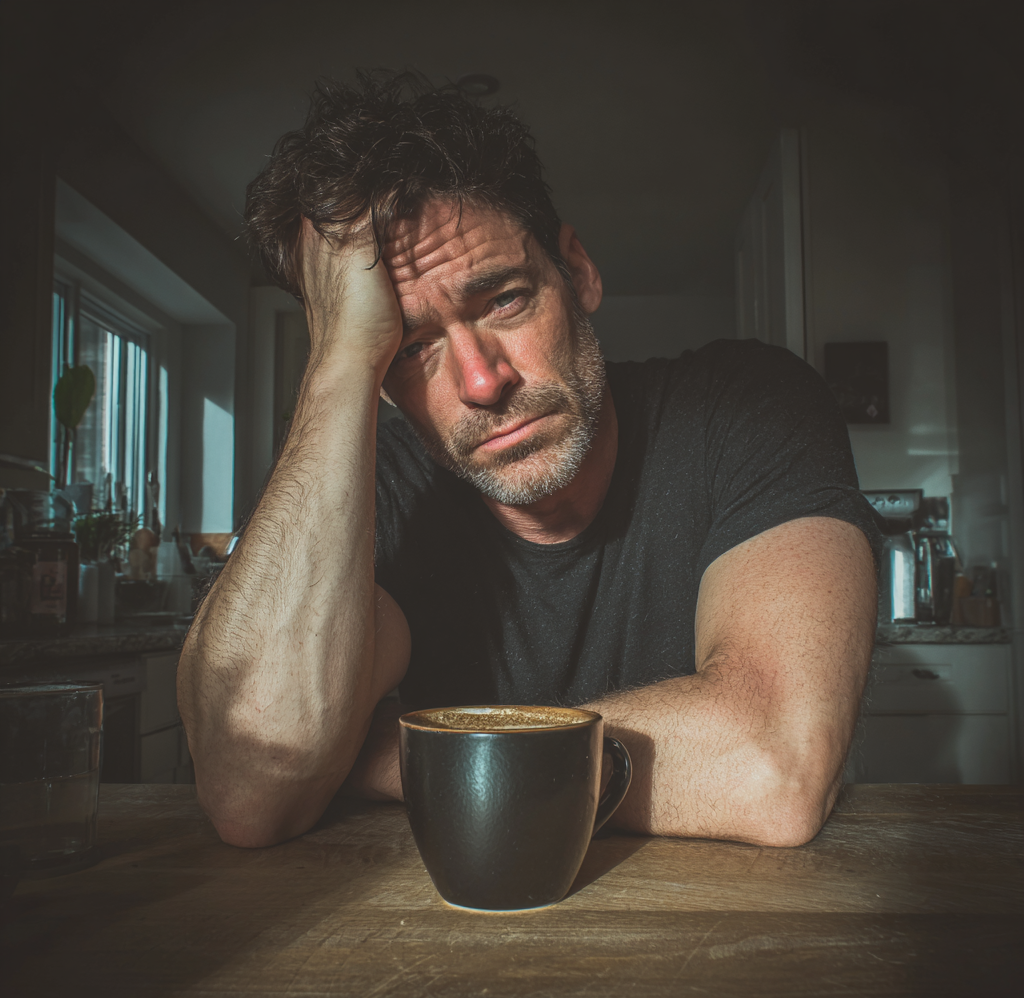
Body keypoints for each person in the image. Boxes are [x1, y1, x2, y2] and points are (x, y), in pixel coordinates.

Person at [177, 71, 879, 851]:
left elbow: (769, 768)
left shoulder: (748, 406)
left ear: (575, 271)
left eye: (504, 299)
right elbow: (251, 783)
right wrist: (340, 358)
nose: (482, 382)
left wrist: (364, 753)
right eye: (410, 347)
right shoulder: (383, 492)